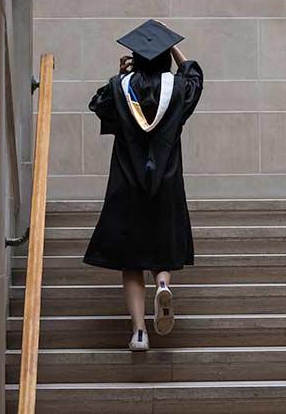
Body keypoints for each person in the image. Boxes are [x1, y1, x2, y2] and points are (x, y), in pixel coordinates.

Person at [83, 19, 203, 352]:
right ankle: (163, 283)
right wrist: (174, 50)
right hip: (165, 182)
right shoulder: (178, 90)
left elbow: (99, 104)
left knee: (132, 260)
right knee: (162, 246)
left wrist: (121, 75)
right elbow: (195, 78)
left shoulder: (120, 87)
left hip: (127, 183)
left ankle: (139, 332)